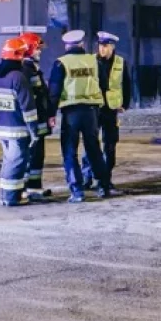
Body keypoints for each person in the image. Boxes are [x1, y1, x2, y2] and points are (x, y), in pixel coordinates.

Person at [48, 29, 114, 202]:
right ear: (82, 44)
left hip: (71, 114)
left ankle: (77, 191)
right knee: (94, 150)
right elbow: (105, 85)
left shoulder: (60, 63)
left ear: (66, 46)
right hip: (92, 112)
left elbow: (54, 92)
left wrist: (51, 114)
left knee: (70, 151)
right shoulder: (94, 61)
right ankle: (103, 186)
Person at [0, 38, 40, 207]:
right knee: (17, 164)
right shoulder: (18, 77)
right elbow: (28, 108)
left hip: (3, 130)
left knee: (8, 163)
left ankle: (5, 196)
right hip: (18, 131)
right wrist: (34, 131)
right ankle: (12, 198)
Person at [82, 31, 132, 190]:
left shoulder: (120, 62)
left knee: (110, 145)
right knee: (90, 144)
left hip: (111, 109)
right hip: (94, 108)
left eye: (105, 46)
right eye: (100, 46)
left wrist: (125, 104)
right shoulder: (91, 61)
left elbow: (127, 84)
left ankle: (105, 179)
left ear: (112, 46)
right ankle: (87, 177)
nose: (101, 49)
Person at [19, 31, 52, 197]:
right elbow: (28, 100)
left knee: (38, 155)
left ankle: (34, 185)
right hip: (32, 123)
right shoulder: (25, 69)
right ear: (29, 49)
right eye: (37, 49)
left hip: (38, 121)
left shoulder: (32, 69)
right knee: (31, 155)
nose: (40, 52)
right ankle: (26, 187)